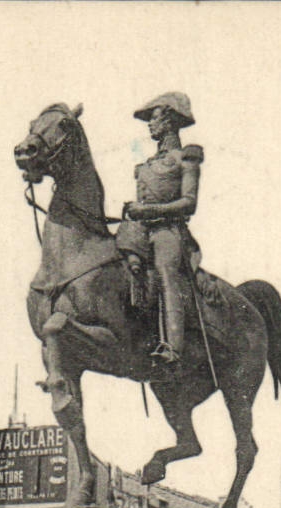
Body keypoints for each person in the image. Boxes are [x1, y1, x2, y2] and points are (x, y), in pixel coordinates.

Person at [117, 91, 203, 366]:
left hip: (168, 230)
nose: (150, 125)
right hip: (140, 230)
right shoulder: (148, 165)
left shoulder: (185, 159)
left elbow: (189, 203)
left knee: (166, 272)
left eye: (153, 119)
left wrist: (150, 211)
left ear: (168, 121)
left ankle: (173, 348)